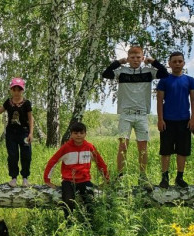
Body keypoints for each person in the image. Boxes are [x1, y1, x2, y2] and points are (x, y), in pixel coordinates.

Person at [102, 46, 169, 190]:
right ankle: (119, 177)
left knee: (143, 148)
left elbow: (165, 74)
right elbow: (106, 74)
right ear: (128, 58)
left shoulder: (148, 72)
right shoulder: (122, 72)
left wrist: (152, 62)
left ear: (142, 58)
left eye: (138, 57)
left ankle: (143, 178)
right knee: (122, 147)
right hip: (126, 114)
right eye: (132, 57)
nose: (135, 60)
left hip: (142, 115)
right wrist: (119, 62)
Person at [43, 122, 109, 220]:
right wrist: (47, 180)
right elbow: (53, 161)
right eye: (75, 133)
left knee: (90, 199)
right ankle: (68, 222)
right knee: (68, 200)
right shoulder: (66, 148)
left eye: (81, 133)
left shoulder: (89, 147)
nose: (78, 135)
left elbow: (100, 162)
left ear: (85, 134)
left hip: (85, 180)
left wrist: (106, 178)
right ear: (71, 134)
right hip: (68, 181)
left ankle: (89, 222)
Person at [157, 51, 194, 189]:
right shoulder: (164, 80)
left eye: (180, 61)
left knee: (182, 150)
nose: (177, 64)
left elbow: (193, 100)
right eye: (174, 61)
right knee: (166, 150)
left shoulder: (190, 80)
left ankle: (179, 177)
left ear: (184, 63)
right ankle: (164, 177)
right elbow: (160, 101)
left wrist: (193, 118)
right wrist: (160, 119)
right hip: (167, 120)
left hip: (184, 120)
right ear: (170, 64)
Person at [0, 78, 34, 187]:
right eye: (14, 89)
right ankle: (13, 178)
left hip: (24, 133)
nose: (16, 92)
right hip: (11, 133)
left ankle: (25, 178)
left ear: (22, 90)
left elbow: (31, 118)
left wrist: (31, 133)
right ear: (11, 90)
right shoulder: (8, 102)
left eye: (19, 89)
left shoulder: (27, 103)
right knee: (12, 156)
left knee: (26, 155)